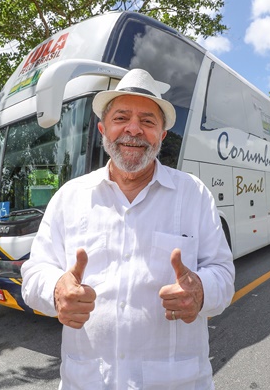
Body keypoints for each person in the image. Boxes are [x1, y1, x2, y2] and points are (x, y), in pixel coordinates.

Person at [21, 68, 235, 389]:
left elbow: (223, 274)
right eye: (121, 118)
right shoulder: (70, 196)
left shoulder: (194, 194)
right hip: (88, 382)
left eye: (148, 121)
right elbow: (34, 273)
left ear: (162, 135)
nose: (133, 130)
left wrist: (202, 290)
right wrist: (55, 290)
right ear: (103, 129)